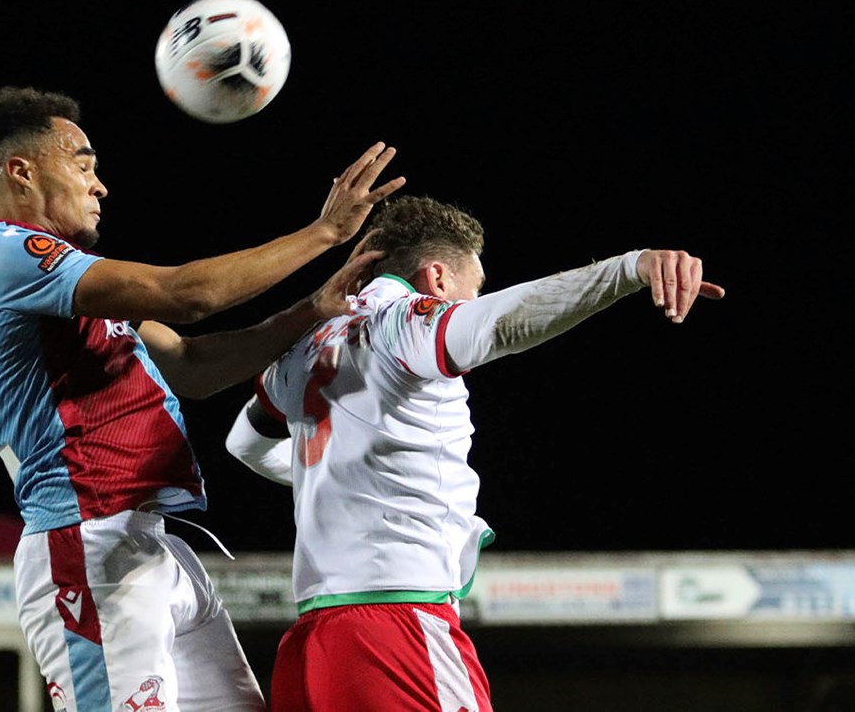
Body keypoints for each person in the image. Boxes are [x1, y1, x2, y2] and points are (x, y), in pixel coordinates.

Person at [0, 85, 403, 712]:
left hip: (150, 546)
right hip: (87, 549)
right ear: (21, 171)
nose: (99, 184)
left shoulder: (68, 281)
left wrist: (310, 311)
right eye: (82, 163)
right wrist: (323, 233)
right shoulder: (1, 256)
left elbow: (193, 364)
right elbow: (188, 294)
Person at [223, 194, 725, 712]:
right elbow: (502, 323)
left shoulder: (310, 341)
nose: (473, 299)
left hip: (311, 642)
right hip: (398, 631)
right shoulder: (406, 321)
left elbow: (243, 443)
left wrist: (336, 475)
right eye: (475, 287)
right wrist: (630, 267)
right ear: (438, 279)